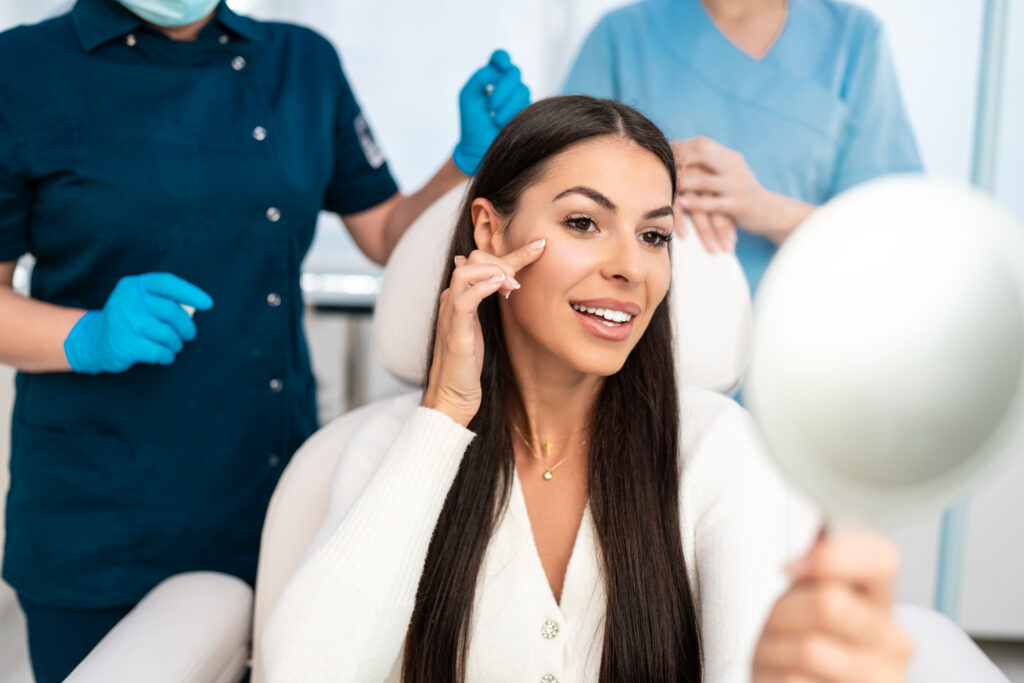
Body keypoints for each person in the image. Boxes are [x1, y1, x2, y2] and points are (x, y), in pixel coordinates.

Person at [262, 96, 912, 682]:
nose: (630, 266)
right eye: (582, 222)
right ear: (490, 232)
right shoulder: (390, 446)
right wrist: (445, 416)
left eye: (654, 235)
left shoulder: (717, 450)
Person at [0, 0, 530, 679]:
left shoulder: (300, 62)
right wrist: (87, 334)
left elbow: (388, 234)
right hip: (101, 520)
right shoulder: (24, 70)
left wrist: (466, 163)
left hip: (270, 490)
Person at [562, 0, 922, 294]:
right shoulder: (622, 36)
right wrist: (645, 175)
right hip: (639, 331)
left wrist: (769, 211)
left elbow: (893, 237)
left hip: (802, 341)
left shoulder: (854, 40)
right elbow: (560, 195)